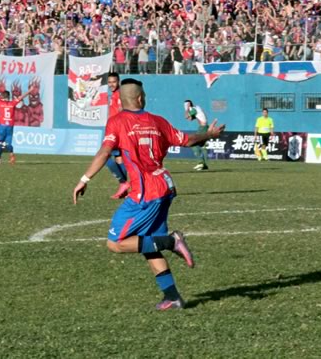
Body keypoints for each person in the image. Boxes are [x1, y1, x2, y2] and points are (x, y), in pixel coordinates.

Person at [72, 79, 225, 310]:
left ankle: (172, 241)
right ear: (141, 98)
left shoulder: (117, 122)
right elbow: (188, 140)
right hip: (164, 186)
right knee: (147, 244)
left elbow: (105, 151)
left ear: (121, 100)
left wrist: (84, 179)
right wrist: (210, 134)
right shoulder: (157, 121)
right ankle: (172, 297)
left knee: (116, 243)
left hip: (145, 193)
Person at [0, 85, 31, 165]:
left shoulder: (0, 102)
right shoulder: (12, 103)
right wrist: (30, 90)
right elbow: (22, 96)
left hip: (2, 126)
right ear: (9, 96)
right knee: (9, 144)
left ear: (2, 97)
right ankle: (11, 154)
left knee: (0, 143)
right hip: (10, 126)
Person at [106, 72, 129, 199]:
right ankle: (124, 188)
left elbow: (122, 111)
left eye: (113, 82)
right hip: (115, 129)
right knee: (118, 158)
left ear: (118, 81)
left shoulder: (119, 95)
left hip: (116, 131)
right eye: (109, 82)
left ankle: (123, 183)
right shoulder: (114, 95)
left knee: (104, 156)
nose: (111, 84)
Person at [184, 100, 209, 171]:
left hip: (203, 127)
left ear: (189, 104)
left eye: (185, 104)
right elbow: (190, 119)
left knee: (193, 143)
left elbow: (186, 117)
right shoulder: (196, 107)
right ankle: (204, 165)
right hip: (204, 127)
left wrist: (186, 109)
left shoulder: (193, 108)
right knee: (201, 145)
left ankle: (201, 163)